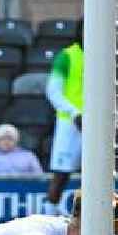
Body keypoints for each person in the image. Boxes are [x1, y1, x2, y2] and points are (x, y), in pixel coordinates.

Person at [43, 19, 83, 215]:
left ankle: (95, 221)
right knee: (61, 174)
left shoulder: (105, 55)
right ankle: (48, 218)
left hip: (97, 124)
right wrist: (74, 112)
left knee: (96, 176)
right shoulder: (67, 56)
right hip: (70, 123)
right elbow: (53, 91)